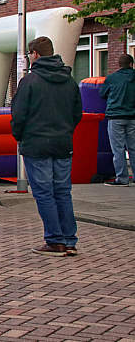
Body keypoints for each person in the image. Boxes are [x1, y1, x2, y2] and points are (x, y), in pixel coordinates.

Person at [11, 36, 82, 257]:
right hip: (63, 143)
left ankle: (55, 240)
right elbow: (77, 113)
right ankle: (69, 239)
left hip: (36, 143)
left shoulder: (29, 81)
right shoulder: (69, 80)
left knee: (44, 193)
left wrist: (20, 136)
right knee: (63, 192)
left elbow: (18, 115)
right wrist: (66, 130)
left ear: (35, 54)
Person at [99, 54, 135, 186]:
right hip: (133, 117)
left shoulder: (111, 78)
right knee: (133, 148)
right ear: (131, 64)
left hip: (115, 117)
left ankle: (122, 178)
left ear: (119, 65)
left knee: (118, 149)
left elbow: (102, 94)